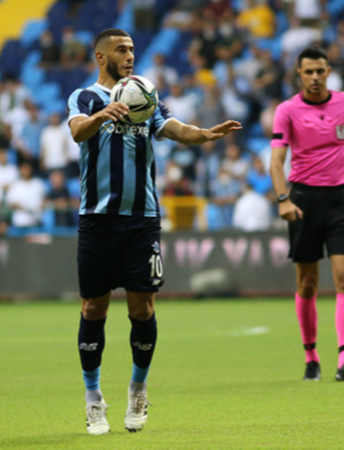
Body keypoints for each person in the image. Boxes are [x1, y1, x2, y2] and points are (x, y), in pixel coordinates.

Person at [67, 28, 241, 435]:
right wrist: (101, 116)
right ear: (101, 56)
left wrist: (203, 134)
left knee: (141, 309)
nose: (129, 55)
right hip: (96, 219)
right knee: (93, 308)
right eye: (121, 50)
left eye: (131, 49)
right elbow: (77, 132)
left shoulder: (145, 93)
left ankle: (137, 389)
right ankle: (93, 399)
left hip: (141, 220)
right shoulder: (85, 97)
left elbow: (172, 127)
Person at [270, 45, 344, 383]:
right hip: (302, 201)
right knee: (308, 283)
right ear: (299, 74)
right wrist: (283, 198)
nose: (315, 77)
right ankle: (311, 356)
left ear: (329, 71)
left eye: (320, 71)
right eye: (308, 72)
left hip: (341, 201)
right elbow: (276, 161)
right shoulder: (287, 110)